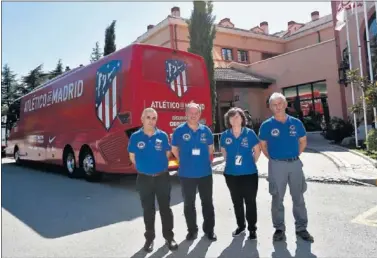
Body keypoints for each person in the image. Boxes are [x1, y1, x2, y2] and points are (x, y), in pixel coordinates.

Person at [259, 92, 314, 242]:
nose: (277, 107)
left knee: (299, 197)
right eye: (274, 105)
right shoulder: (266, 125)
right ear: (270, 107)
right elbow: (263, 145)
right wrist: (272, 158)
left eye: (279, 104)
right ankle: (279, 229)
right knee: (277, 198)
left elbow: (303, 141)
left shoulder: (296, 123)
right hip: (277, 165)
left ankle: (301, 228)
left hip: (295, 164)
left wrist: (295, 155)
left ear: (285, 105)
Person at [127, 107, 178, 252]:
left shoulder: (162, 136)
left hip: (162, 177)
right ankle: (149, 239)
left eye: (154, 118)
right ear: (142, 119)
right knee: (148, 210)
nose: (151, 120)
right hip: (144, 179)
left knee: (165, 209)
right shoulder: (135, 137)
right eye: (148, 117)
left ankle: (169, 237)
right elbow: (132, 157)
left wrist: (157, 167)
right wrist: (146, 168)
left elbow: (167, 154)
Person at [171, 102, 217, 241]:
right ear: (186, 114)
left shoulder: (206, 131)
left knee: (207, 202)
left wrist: (204, 161)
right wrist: (183, 160)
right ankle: (192, 230)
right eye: (190, 113)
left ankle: (209, 230)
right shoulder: (179, 131)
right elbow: (174, 150)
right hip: (186, 174)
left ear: (199, 114)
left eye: (196, 113)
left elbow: (211, 149)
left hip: (205, 174)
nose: (193, 115)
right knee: (189, 203)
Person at [220, 107, 261, 240]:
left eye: (237, 116)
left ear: (242, 119)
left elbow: (257, 150)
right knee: (237, 202)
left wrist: (250, 163)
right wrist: (231, 162)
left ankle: (252, 229)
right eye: (232, 117)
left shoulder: (249, 133)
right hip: (231, 175)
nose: (235, 119)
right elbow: (224, 151)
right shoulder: (225, 135)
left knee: (250, 202)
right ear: (228, 120)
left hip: (249, 174)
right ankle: (241, 226)